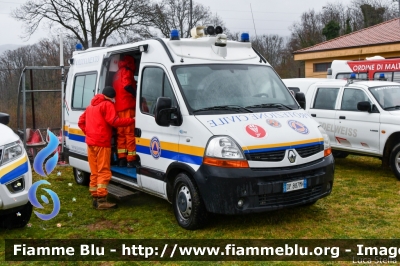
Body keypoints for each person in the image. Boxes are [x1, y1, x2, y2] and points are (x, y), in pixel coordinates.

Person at [78, 86, 135, 210]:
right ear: (112, 97)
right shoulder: (107, 105)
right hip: (102, 143)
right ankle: (102, 200)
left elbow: (80, 122)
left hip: (91, 143)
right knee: (103, 171)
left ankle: (95, 197)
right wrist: (131, 120)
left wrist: (88, 133)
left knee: (95, 171)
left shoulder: (91, 106)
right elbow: (114, 121)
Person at [113, 55, 138, 168]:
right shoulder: (127, 71)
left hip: (118, 108)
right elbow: (127, 85)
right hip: (128, 106)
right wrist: (136, 94)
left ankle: (121, 158)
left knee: (121, 135)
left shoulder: (116, 74)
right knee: (130, 134)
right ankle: (131, 160)